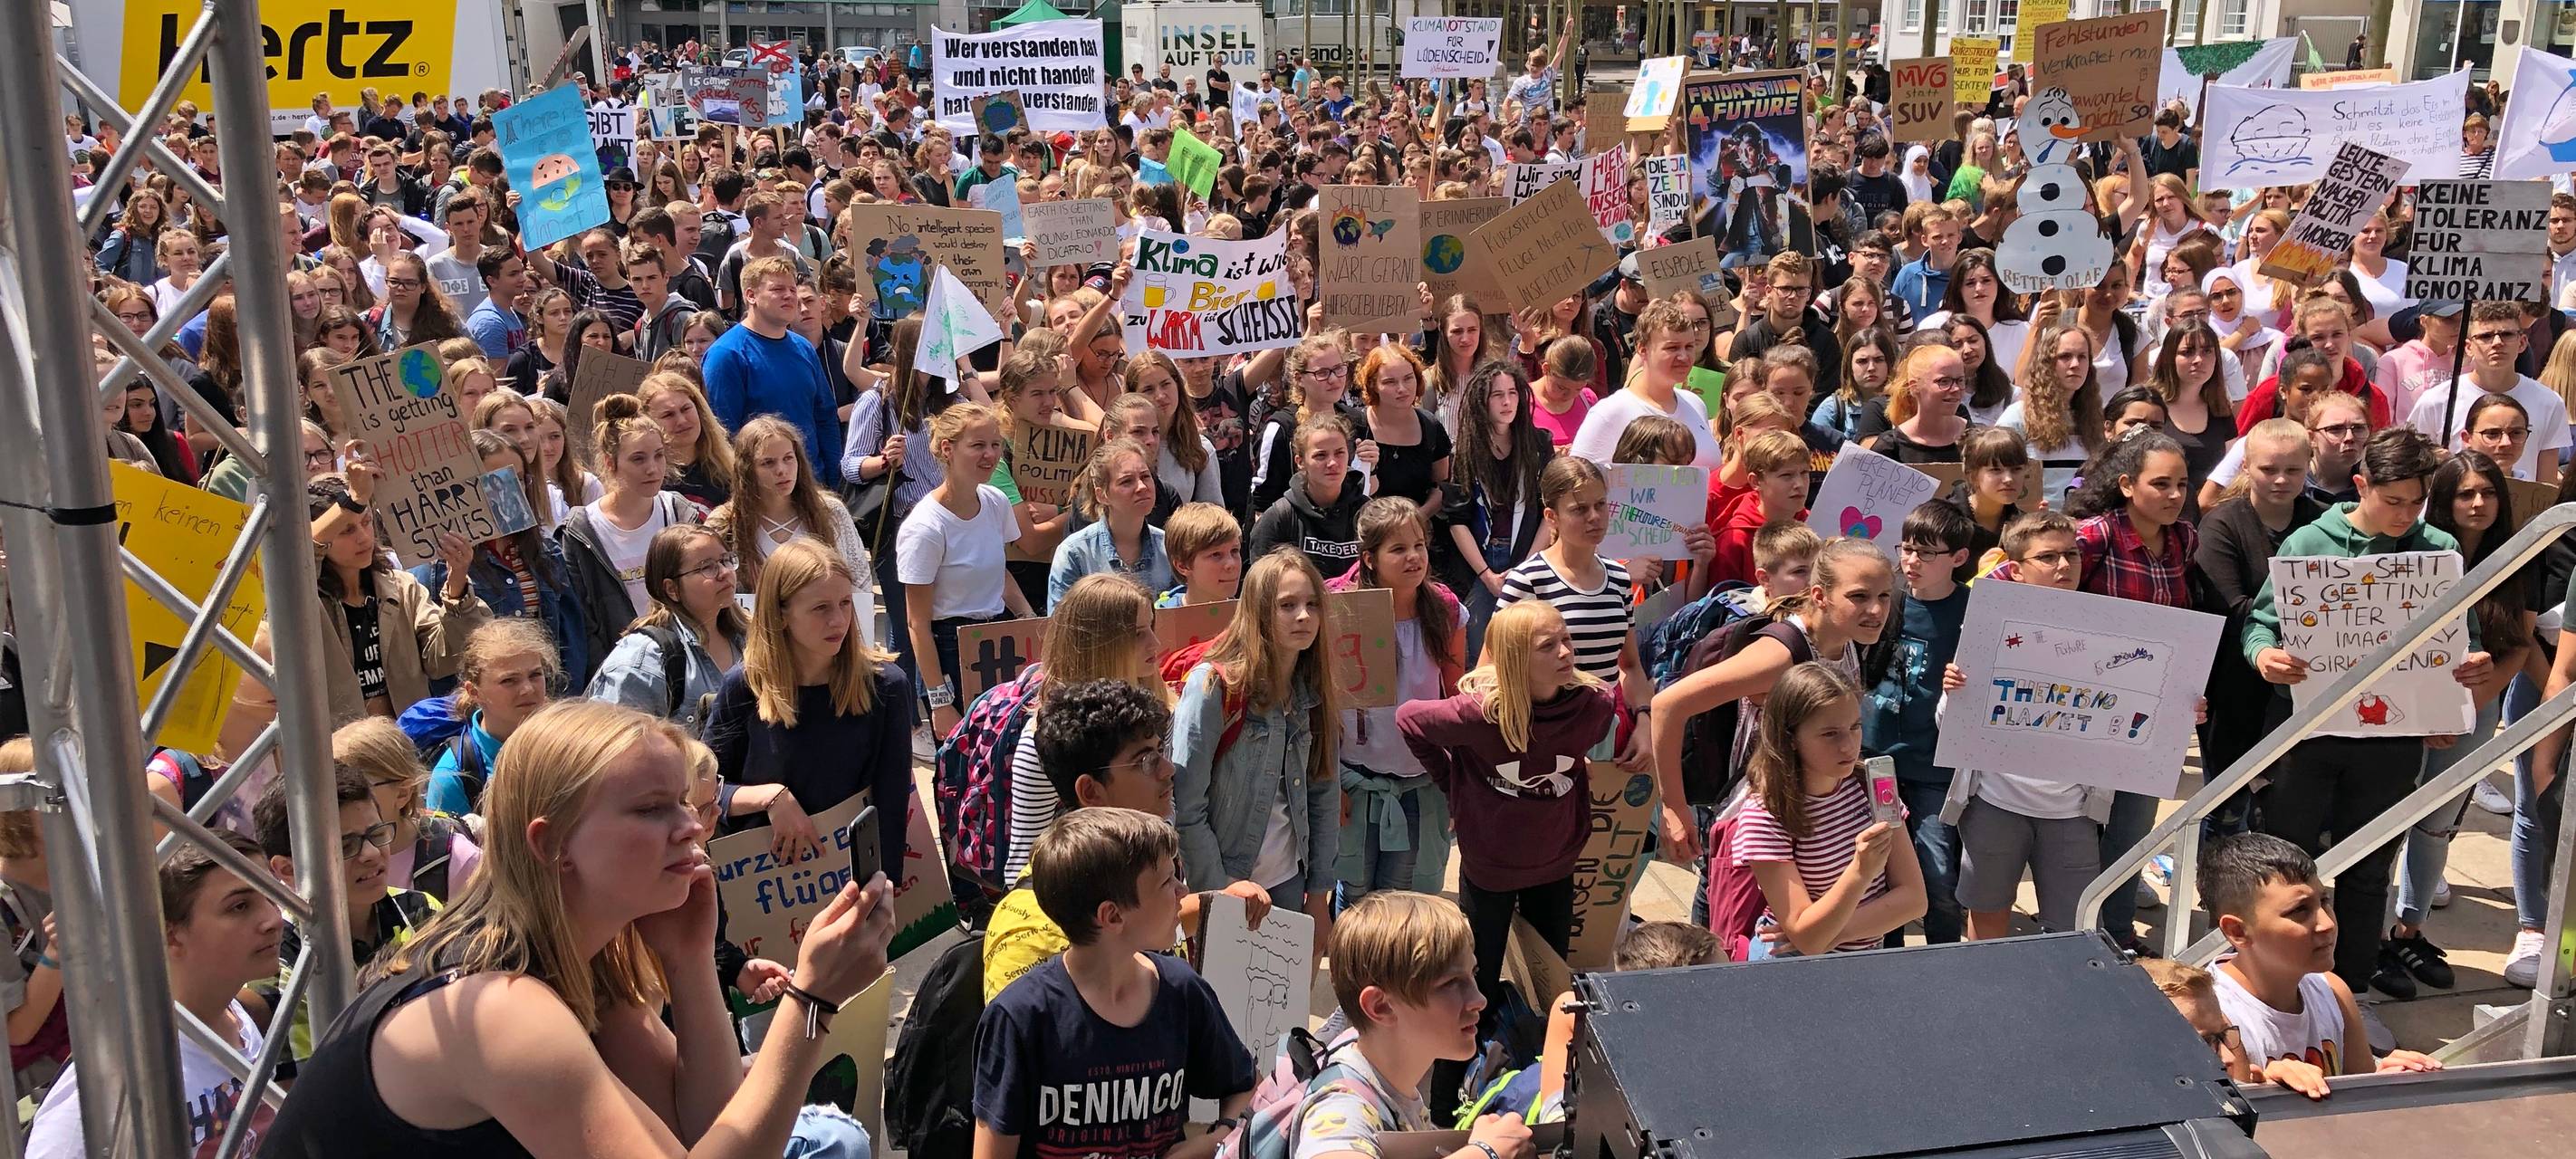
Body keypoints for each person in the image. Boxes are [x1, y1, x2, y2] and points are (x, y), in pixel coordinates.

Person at [259, 700, 899, 1155]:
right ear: (552, 843)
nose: (690, 827)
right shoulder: (497, 1008)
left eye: (685, 801)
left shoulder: (574, 962)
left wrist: (689, 959)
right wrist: (811, 1002)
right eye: (651, 809)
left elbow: (705, 1129)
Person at [2244, 427, 2493, 1034]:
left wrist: (2466, 676)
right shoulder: (2309, 542)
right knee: (2286, 862)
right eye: (2394, 501)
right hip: (2308, 735)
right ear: (2361, 485)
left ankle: (2350, 996)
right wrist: (2264, 656)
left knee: (2368, 868)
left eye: (2417, 502)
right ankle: (2271, 986)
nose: (2407, 516)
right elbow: (2259, 623)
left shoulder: (2438, 551)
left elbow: (2467, 643)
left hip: (2390, 744)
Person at [1398, 598, 1613, 1086]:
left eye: (1566, 639)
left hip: (1557, 864)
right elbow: (1410, 720)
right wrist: (1453, 785)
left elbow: (1590, 746)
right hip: (1490, 868)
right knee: (1474, 984)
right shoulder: (1476, 714)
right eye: (1548, 645)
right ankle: (1451, 1094)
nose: (1565, 651)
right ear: (1515, 657)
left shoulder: (1593, 704)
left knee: (1550, 985)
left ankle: (1545, 1084)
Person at [972, 809, 1257, 1158]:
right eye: (1168, 881)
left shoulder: (1182, 990)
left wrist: (1214, 1140)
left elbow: (1244, 1086)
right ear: (1113, 915)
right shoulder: (1020, 1018)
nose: (1184, 891)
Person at [24, 833, 282, 1157]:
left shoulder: (238, 1018)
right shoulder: (122, 1075)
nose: (272, 919)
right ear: (170, 932)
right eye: (240, 906)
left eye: (271, 895)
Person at [2383, 449, 2531, 999]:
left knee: (2438, 825)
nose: (2477, 503)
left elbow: (2515, 645)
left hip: (2475, 707)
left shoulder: (2516, 555)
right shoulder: (2414, 550)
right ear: (2441, 501)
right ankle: (2373, 939)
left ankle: (2410, 930)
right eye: (2464, 493)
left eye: (2488, 492)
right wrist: (2433, 712)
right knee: (2389, 823)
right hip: (2409, 711)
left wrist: (2462, 712)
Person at [704, 538, 912, 876]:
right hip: (764, 886)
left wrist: (884, 887)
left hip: (849, 878)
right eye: (821, 608)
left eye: (845, 603)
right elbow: (705, 791)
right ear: (781, 614)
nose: (839, 621)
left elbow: (892, 801)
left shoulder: (886, 685)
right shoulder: (744, 686)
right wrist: (771, 798)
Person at [1294, 891, 1536, 1159]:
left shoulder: (1384, 1066)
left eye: (1473, 974)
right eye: (1451, 983)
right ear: (1381, 1007)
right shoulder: (1340, 1106)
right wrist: (1485, 1153)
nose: (1479, 999)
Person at [1172, 550, 1341, 927]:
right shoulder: (1213, 685)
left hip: (1288, 882)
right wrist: (1219, 891)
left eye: (1313, 604)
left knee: (1285, 988)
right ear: (1259, 610)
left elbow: (1324, 793)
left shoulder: (1312, 690)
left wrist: (1318, 894)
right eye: (1287, 605)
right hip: (1224, 880)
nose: (1304, 616)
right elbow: (1185, 805)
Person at [2198, 833, 2443, 1093]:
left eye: (2324, 901)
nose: (2326, 923)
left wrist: (2379, 1077)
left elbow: (2357, 1096)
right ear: (2237, 931)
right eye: (2299, 911)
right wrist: (2265, 1090)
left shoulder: (2333, 990)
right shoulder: (2214, 1018)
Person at [249, 765, 442, 1083]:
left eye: (376, 834)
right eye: (344, 846)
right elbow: (303, 1087)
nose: (370, 854)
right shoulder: (279, 961)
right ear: (286, 869)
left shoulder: (422, 911)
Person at [1732, 662, 1928, 957]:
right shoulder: (1766, 815)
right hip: (1795, 971)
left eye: (1855, 727)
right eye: (1830, 734)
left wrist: (1832, 931)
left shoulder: (1870, 786)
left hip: (1862, 962)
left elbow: (1914, 900)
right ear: (1790, 738)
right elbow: (1807, 942)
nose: (1849, 746)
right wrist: (1860, 872)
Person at [1333, 498, 1467, 904]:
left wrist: (1458, 779)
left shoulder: (1443, 608)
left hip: (1419, 779)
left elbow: (1457, 692)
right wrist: (1330, 783)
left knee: (1402, 898)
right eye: (1398, 549)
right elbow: (1322, 701)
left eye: (1419, 546)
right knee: (1354, 893)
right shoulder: (1339, 606)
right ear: (1369, 558)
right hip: (1354, 781)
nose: (1413, 557)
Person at [2195, 419, 2325, 829]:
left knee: (2291, 806)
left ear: (2310, 465)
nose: (2282, 480)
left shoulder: (2322, 523)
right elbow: (2232, 607)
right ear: (2246, 466)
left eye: (2294, 470)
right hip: (2235, 687)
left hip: (2306, 684)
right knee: (2227, 809)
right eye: (2269, 469)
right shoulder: (2221, 524)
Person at [1862, 502, 1975, 945]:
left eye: (1927, 553)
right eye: (1907, 549)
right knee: (1881, 875)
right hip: (1876, 761)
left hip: (1935, 768)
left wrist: (1967, 683)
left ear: (1959, 559)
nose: (1912, 561)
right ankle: (1886, 958)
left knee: (1938, 874)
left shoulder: (1973, 611)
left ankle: (1942, 958)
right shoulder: (1883, 597)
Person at [303, 466, 490, 723]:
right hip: (339, 752)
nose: (363, 537)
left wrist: (457, 583)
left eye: (366, 522)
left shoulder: (402, 587)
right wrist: (354, 498)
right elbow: (299, 558)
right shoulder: (304, 597)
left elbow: (443, 659)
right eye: (346, 530)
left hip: (407, 748)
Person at [898, 402, 1034, 738]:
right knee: (964, 755)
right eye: (977, 445)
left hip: (1000, 638)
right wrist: (940, 700)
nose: (990, 455)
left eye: (995, 444)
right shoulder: (925, 527)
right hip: (950, 646)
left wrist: (1030, 621)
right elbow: (917, 623)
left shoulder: (996, 502)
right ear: (948, 448)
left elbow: (1000, 573)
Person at [559, 395, 703, 656]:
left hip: (688, 660)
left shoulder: (679, 513)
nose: (652, 468)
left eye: (658, 456)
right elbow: (585, 622)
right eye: (638, 459)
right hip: (622, 667)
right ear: (610, 462)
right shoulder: (583, 531)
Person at [587, 524, 748, 734]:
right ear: (672, 589)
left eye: (726, 560)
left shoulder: (750, 637)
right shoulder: (644, 660)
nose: (725, 573)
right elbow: (611, 746)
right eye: (706, 567)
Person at [703, 255, 842, 487]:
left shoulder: (803, 347)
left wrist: (835, 481)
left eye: (791, 289)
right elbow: (724, 436)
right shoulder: (726, 355)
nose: (789, 296)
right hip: (761, 492)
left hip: (813, 485)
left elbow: (825, 416)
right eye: (777, 289)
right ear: (751, 296)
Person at [705, 416, 872, 600]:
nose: (782, 470)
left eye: (788, 458)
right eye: (768, 463)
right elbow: (713, 592)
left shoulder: (830, 512)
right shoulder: (725, 523)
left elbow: (860, 581)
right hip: (754, 625)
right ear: (747, 469)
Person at [2406, 302, 2571, 484]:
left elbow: (2545, 486)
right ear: (2468, 347)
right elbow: (2415, 470)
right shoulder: (2436, 401)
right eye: (2486, 336)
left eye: (2507, 334)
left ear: (2522, 342)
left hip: (2523, 511)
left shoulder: (2549, 402)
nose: (2497, 343)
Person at [334, 717, 484, 901]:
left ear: (402, 794)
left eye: (358, 789)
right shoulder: (326, 861)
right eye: (331, 790)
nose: (340, 800)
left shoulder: (459, 861)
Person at [427, 619, 563, 814]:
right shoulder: (454, 777)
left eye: (535, 675)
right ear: (474, 692)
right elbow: (446, 843)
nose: (527, 689)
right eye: (509, 680)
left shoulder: (569, 743)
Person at [1569, 298, 1720, 468]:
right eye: (1672, 348)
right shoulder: (1610, 412)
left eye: (1689, 347)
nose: (1684, 357)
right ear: (1642, 349)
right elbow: (1578, 481)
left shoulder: (1695, 403)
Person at [1048, 437, 1173, 610]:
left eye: (1146, 476)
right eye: (1127, 481)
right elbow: (1059, 627)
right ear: (1102, 495)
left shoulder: (1170, 547)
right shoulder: (1074, 553)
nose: (1142, 486)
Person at [1248, 414, 1367, 570]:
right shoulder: (1279, 518)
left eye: (1339, 453)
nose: (1332, 463)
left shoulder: (1368, 514)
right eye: (1320, 455)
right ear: (1300, 462)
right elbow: (1262, 584)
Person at [1706, 430, 1812, 588]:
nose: (1800, 484)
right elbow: (1723, 605)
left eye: (1804, 473)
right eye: (1786, 475)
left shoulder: (1815, 523)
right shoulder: (1735, 541)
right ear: (1755, 481)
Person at [1159, 502, 1244, 608]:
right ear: (1183, 565)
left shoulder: (1250, 617)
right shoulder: (1160, 619)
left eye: (1234, 551)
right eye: (1216, 554)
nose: (1231, 564)